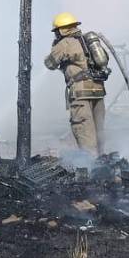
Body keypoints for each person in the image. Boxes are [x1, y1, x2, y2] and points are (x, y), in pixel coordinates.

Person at [44, 12, 108, 155]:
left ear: (61, 30)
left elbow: (50, 63)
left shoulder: (65, 43)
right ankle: (103, 161)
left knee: (84, 128)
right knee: (99, 131)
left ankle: (92, 167)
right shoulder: (86, 40)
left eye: (56, 32)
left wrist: (54, 49)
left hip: (80, 92)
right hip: (98, 90)